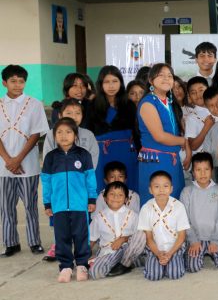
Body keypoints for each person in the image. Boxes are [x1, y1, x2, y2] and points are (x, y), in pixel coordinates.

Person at [0, 64, 49, 256]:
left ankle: (34, 241)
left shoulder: (34, 104)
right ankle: (10, 243)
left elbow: (36, 134)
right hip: (3, 167)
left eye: (21, 81)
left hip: (27, 165)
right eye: (13, 81)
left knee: (30, 205)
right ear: (4, 83)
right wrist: (8, 160)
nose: (18, 85)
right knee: (6, 207)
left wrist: (18, 159)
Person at [41, 118, 97, 283]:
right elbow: (46, 182)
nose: (64, 136)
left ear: (75, 135)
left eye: (68, 132)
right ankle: (65, 266)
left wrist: (91, 199)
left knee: (81, 236)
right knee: (62, 237)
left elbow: (90, 179)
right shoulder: (50, 158)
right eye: (59, 132)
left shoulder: (83, 155)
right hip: (58, 206)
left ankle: (81, 265)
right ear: (54, 136)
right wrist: (47, 203)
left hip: (79, 205)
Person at [136, 63, 188, 205]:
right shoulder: (148, 103)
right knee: (155, 205)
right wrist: (183, 142)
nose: (166, 79)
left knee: (174, 204)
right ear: (151, 80)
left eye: (169, 76)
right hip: (156, 161)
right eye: (161, 75)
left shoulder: (170, 102)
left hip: (172, 160)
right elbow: (159, 136)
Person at [180, 152, 218, 273]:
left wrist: (215, 240)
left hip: (215, 237)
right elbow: (184, 219)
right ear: (193, 172)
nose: (203, 173)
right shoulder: (187, 192)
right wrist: (193, 240)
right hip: (196, 238)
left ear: (212, 171)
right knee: (193, 268)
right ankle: (196, 254)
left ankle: (213, 252)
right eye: (198, 170)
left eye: (206, 169)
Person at [90, 66, 138, 192]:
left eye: (115, 81)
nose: (111, 86)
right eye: (107, 82)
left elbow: (137, 132)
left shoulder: (129, 105)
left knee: (128, 187)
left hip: (126, 153)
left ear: (121, 83)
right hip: (101, 155)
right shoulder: (92, 105)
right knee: (101, 187)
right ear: (100, 84)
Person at [137, 170, 190, 281]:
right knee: (154, 276)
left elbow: (181, 236)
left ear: (171, 189)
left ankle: (177, 259)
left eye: (165, 186)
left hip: (174, 248)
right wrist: (158, 253)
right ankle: (151, 260)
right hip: (155, 248)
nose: (161, 190)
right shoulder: (146, 208)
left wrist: (170, 254)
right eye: (156, 186)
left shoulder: (178, 206)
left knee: (174, 274)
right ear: (150, 190)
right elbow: (149, 238)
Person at [88, 181, 145, 279]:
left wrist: (123, 239)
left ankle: (124, 264)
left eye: (120, 195)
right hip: (110, 251)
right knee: (95, 273)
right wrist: (82, 257)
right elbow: (91, 239)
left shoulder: (133, 215)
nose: (116, 197)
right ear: (105, 198)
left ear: (126, 199)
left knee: (142, 234)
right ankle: (128, 263)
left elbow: (138, 237)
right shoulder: (98, 218)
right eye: (112, 194)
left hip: (128, 248)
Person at [201, 86, 218, 186]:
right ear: (206, 107)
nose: (216, 108)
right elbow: (207, 151)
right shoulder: (209, 125)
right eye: (211, 106)